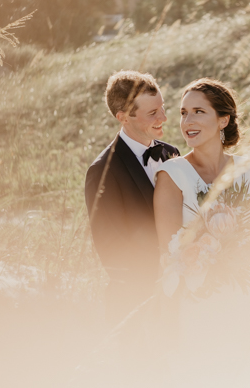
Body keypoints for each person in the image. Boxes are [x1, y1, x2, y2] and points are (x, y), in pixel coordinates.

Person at [154, 78, 250, 385]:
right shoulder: (171, 175)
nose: (187, 121)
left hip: (243, 298)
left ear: (223, 119)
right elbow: (167, 252)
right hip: (194, 303)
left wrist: (233, 260)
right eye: (182, 113)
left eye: (198, 112)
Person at [85, 70, 180, 326]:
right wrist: (157, 282)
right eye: (152, 113)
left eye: (162, 108)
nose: (164, 118)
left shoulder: (172, 154)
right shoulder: (103, 171)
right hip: (135, 302)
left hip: (178, 294)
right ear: (123, 117)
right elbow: (111, 249)